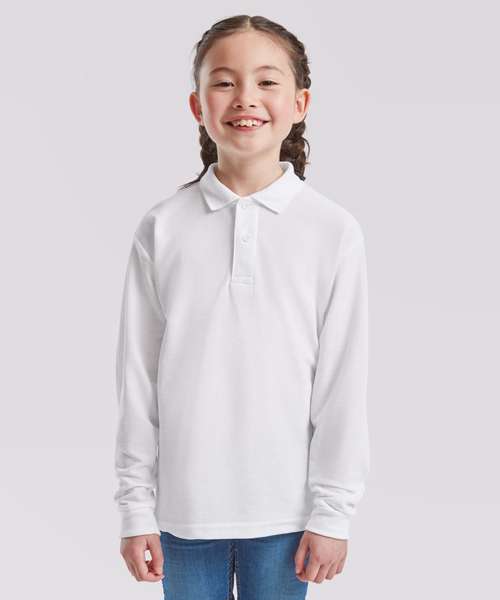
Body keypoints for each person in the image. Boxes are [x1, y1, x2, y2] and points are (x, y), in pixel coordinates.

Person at [113, 14, 370, 600]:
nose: (245, 98)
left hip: (287, 517)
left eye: (267, 81)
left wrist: (333, 513)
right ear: (197, 106)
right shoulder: (163, 228)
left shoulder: (332, 231)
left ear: (300, 103)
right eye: (224, 82)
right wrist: (135, 508)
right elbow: (136, 379)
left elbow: (342, 384)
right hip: (183, 517)